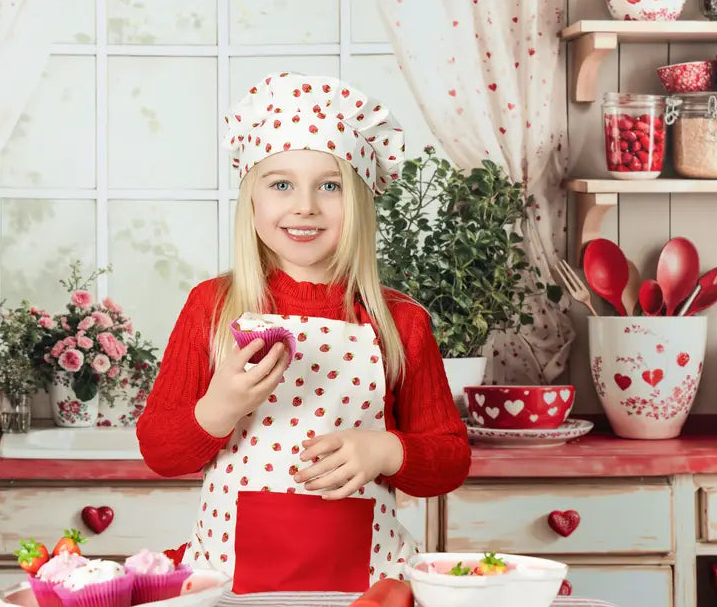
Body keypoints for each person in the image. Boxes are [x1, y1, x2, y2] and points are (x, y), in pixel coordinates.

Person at [135, 72, 471, 595]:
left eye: (330, 185)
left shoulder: (398, 320)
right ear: (252, 201)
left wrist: (387, 452)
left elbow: (450, 458)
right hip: (230, 586)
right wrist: (218, 407)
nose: (306, 206)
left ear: (359, 202)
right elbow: (159, 450)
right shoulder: (214, 306)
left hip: (367, 587)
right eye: (281, 184)